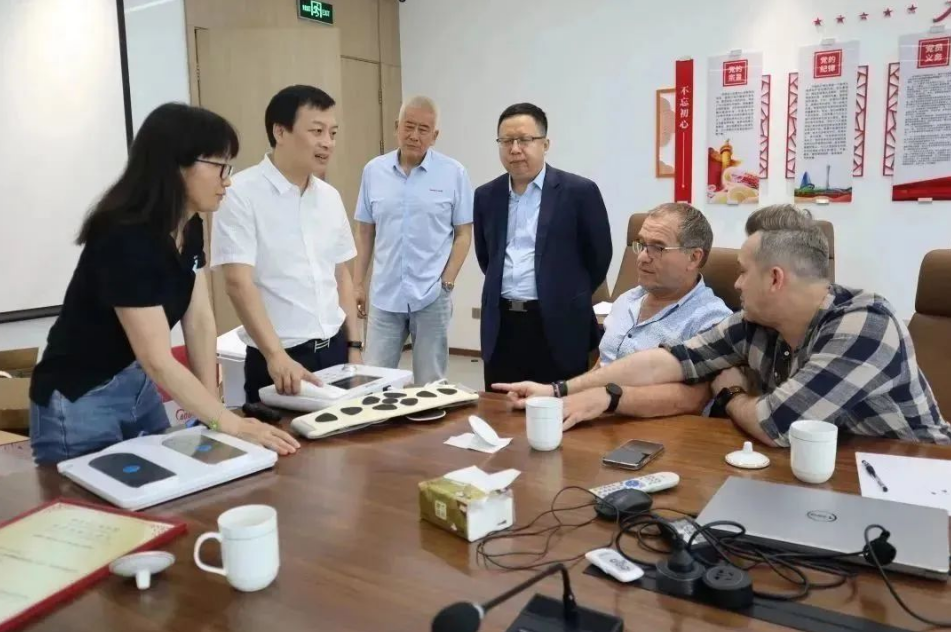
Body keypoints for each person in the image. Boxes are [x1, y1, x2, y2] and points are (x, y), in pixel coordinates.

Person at [497, 205, 951, 446]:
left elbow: (775, 425)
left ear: (775, 279)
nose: (735, 284)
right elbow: (665, 361)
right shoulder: (756, 323)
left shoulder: (865, 323)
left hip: (916, 472)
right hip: (823, 473)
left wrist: (731, 393)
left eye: (743, 272)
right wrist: (559, 390)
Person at [29, 103, 300, 465]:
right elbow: (157, 358)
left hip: (135, 381)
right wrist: (229, 423)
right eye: (219, 166)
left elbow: (198, 319)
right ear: (175, 165)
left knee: (173, 479)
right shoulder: (124, 236)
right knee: (94, 497)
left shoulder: (189, 225)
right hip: (81, 394)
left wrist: (212, 411)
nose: (227, 180)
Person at [212, 85, 362, 404]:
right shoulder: (240, 193)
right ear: (280, 131)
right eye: (317, 131)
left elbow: (341, 276)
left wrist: (354, 346)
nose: (327, 142)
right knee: (283, 436)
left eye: (333, 133)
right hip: (281, 359)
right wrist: (275, 355)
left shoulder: (329, 197)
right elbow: (237, 283)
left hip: (336, 351)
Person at [552, 203, 732, 430]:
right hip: (597, 423)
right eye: (642, 245)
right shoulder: (627, 299)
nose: (642, 258)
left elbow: (695, 400)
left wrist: (608, 399)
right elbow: (604, 363)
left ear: (694, 258)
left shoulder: (711, 319)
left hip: (659, 434)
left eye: (658, 248)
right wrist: (560, 398)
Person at [474, 102, 611, 390]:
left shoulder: (579, 192)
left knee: (560, 409)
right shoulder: (486, 196)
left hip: (558, 325)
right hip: (502, 326)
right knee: (501, 408)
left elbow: (599, 257)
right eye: (506, 141)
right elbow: (487, 257)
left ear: (545, 144)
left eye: (524, 140)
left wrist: (565, 294)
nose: (515, 149)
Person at [352, 96, 472, 384]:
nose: (414, 135)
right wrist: (358, 283)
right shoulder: (373, 171)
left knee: (430, 384)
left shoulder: (454, 173)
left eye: (423, 129)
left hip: (431, 295)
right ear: (397, 127)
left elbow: (463, 234)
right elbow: (365, 231)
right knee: (373, 380)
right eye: (409, 126)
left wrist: (447, 283)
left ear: (435, 136)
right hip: (385, 296)